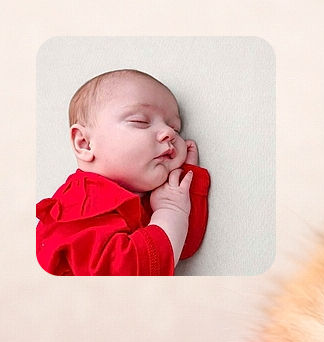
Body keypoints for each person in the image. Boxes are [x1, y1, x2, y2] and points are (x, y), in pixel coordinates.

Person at [36, 69, 210, 275]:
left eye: (176, 128)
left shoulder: (142, 195)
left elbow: (180, 246)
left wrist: (184, 182)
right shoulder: (79, 206)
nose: (169, 133)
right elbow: (135, 272)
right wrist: (171, 210)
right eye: (141, 122)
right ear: (85, 143)